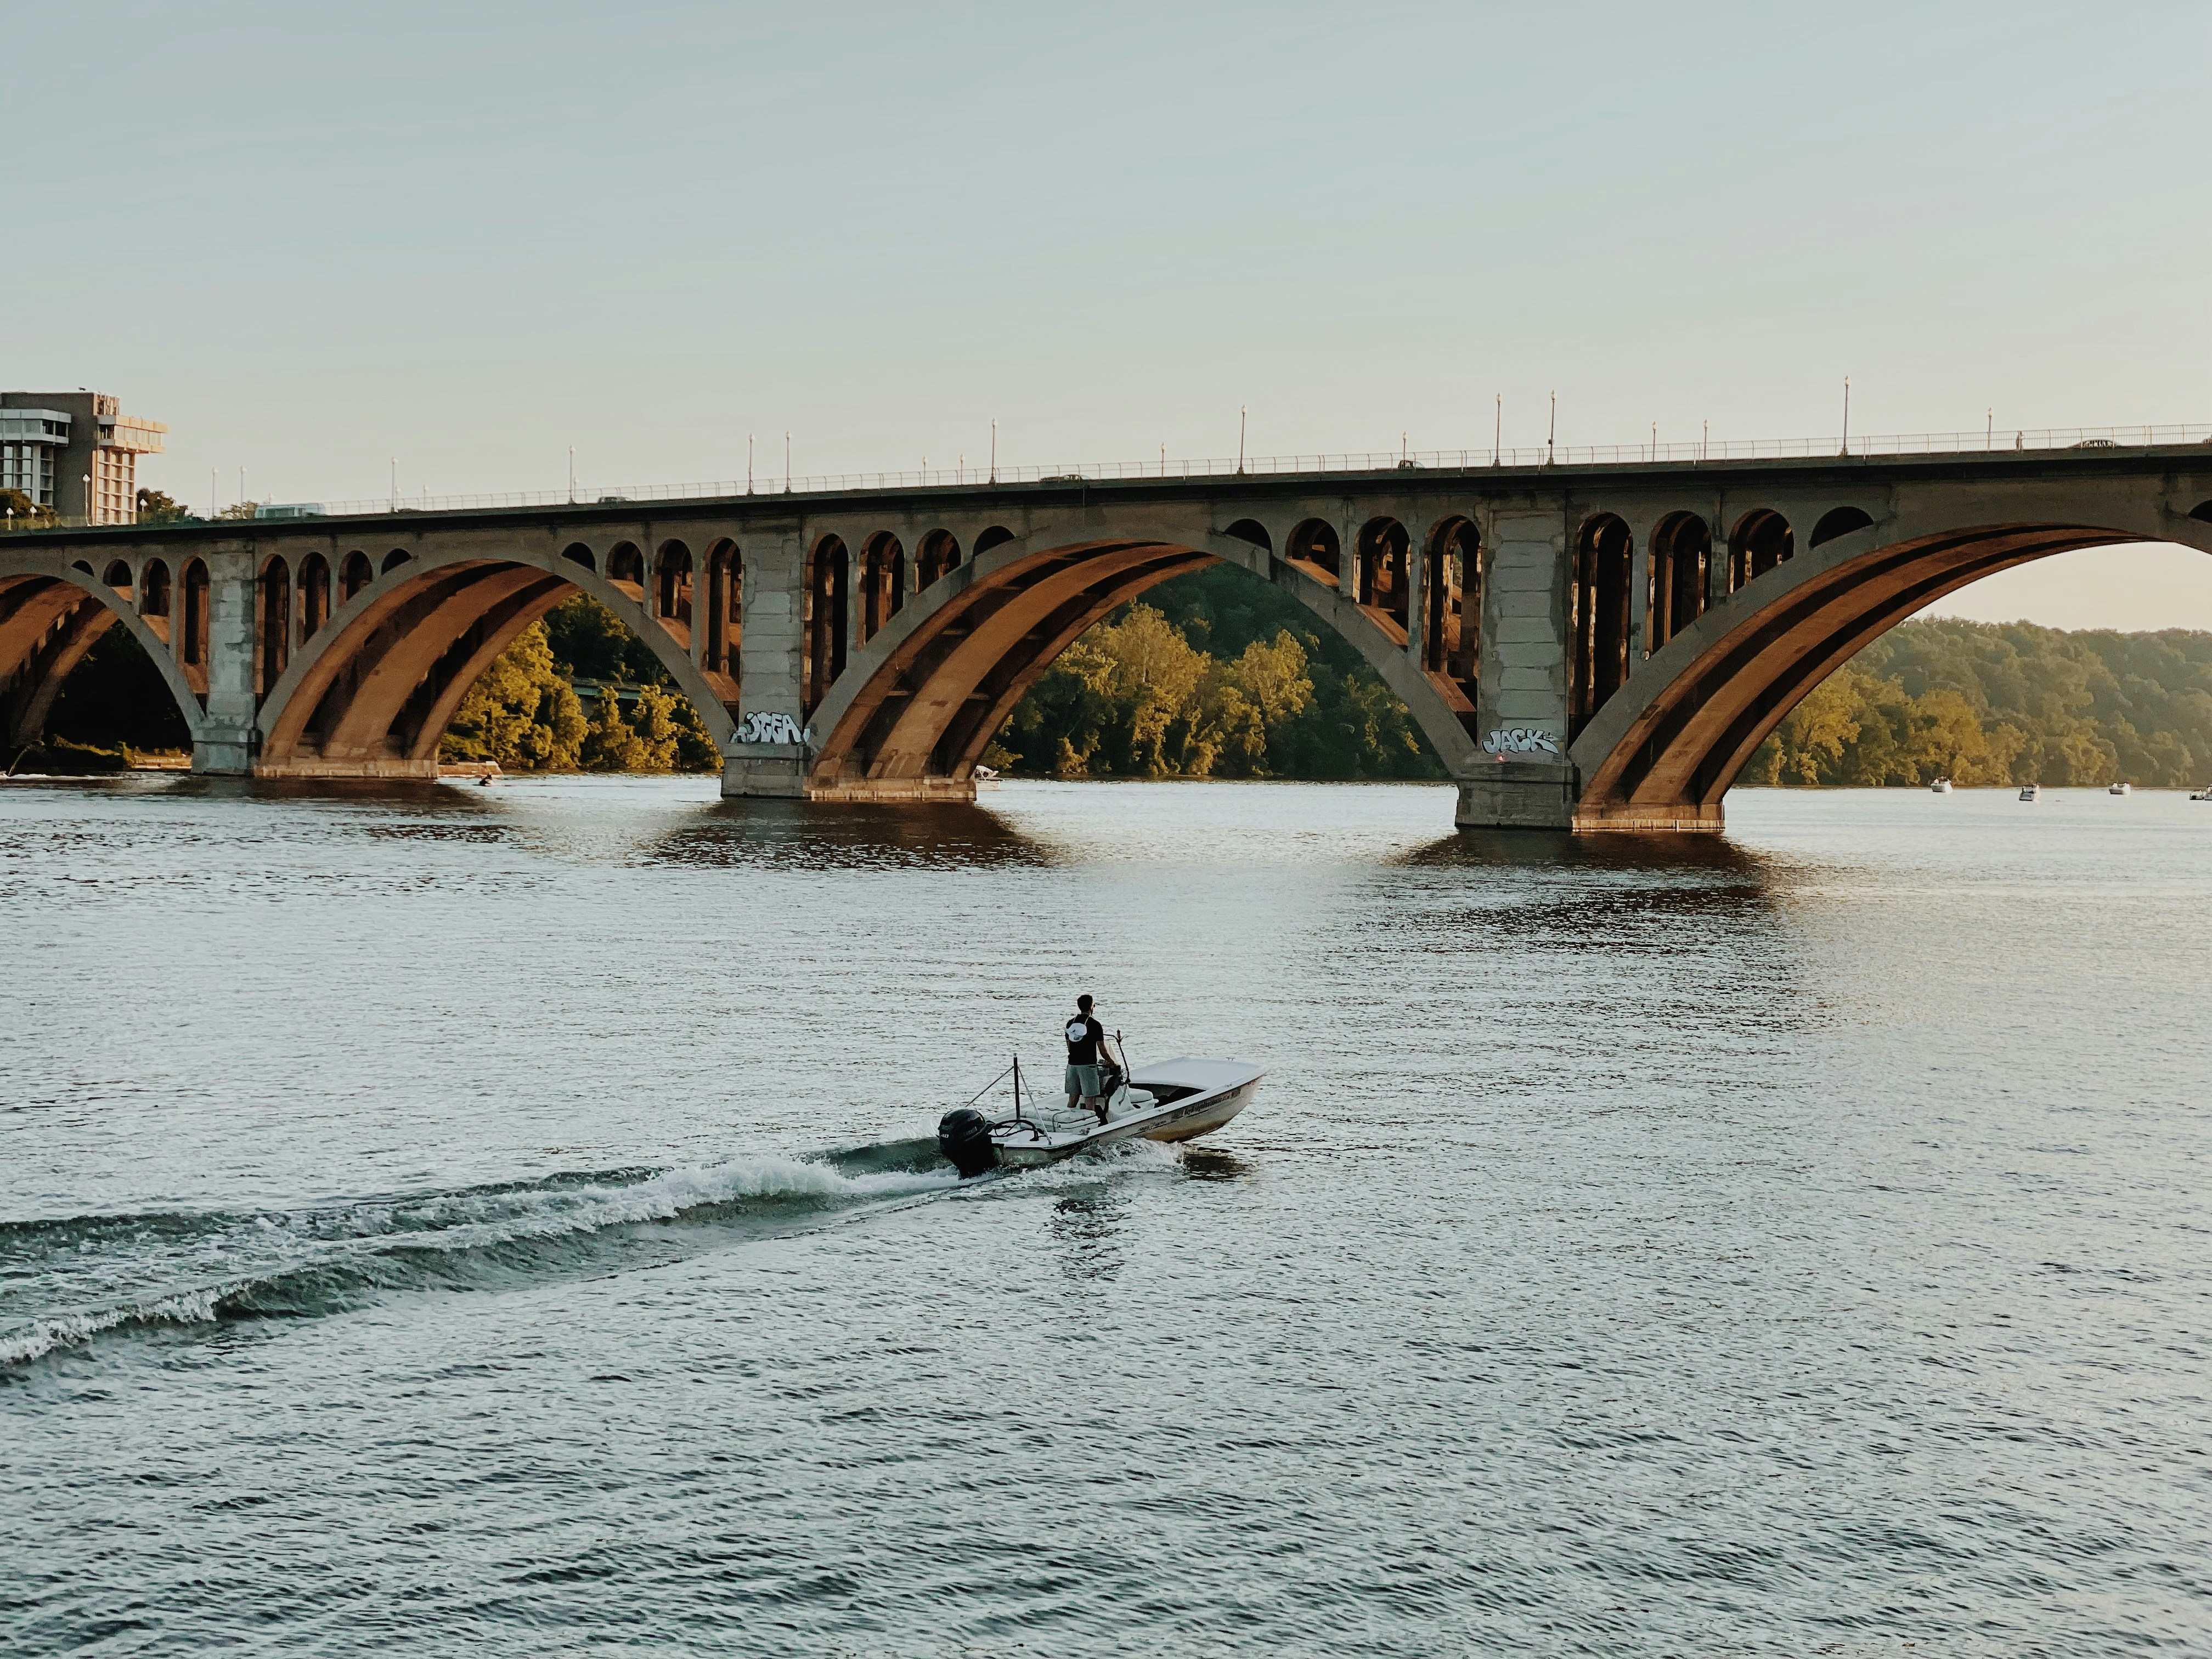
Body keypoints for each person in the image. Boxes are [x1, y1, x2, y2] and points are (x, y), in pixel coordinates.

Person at [1064, 994, 1109, 1125]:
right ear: (1091, 1007)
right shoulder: (1095, 1025)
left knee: (1074, 1097)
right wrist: (1112, 1063)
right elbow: (1103, 1050)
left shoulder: (1070, 1023)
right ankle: (1090, 1125)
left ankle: (1069, 1122)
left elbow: (1069, 1047)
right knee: (1090, 1098)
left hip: (1072, 1065)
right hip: (1088, 1066)